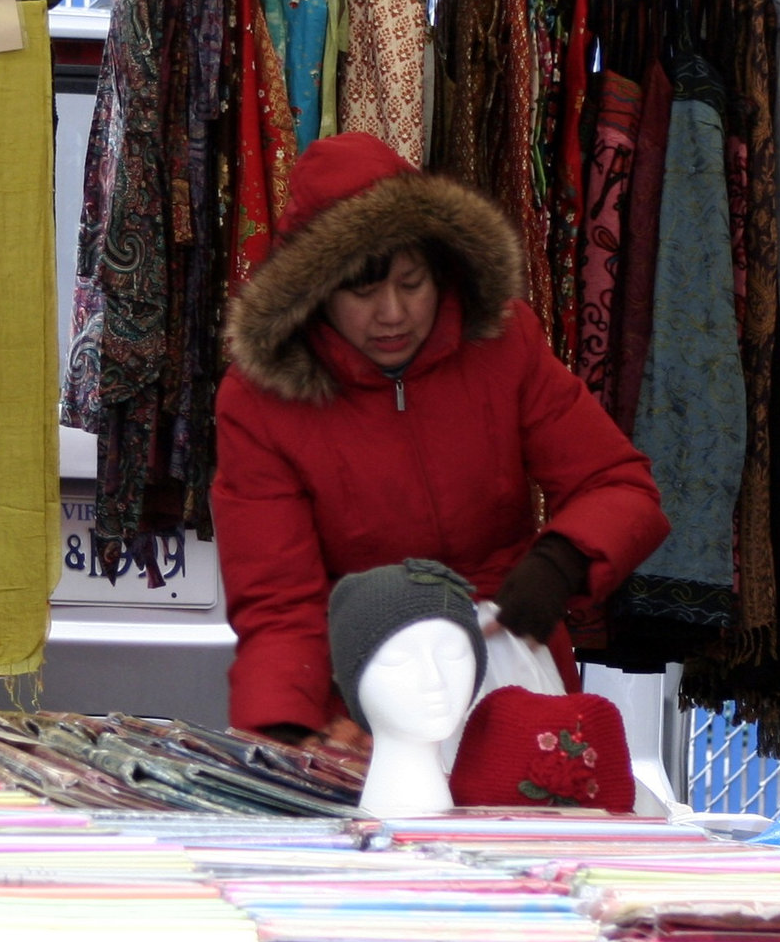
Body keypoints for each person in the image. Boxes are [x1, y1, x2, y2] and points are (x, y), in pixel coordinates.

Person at [213, 132, 669, 746]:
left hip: (514, 672)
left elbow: (617, 484)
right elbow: (278, 602)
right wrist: (290, 729)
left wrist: (561, 561)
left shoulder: (503, 345)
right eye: (363, 290)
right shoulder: (260, 402)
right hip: (362, 699)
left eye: (412, 281)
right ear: (316, 295)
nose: (393, 313)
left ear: (442, 268)